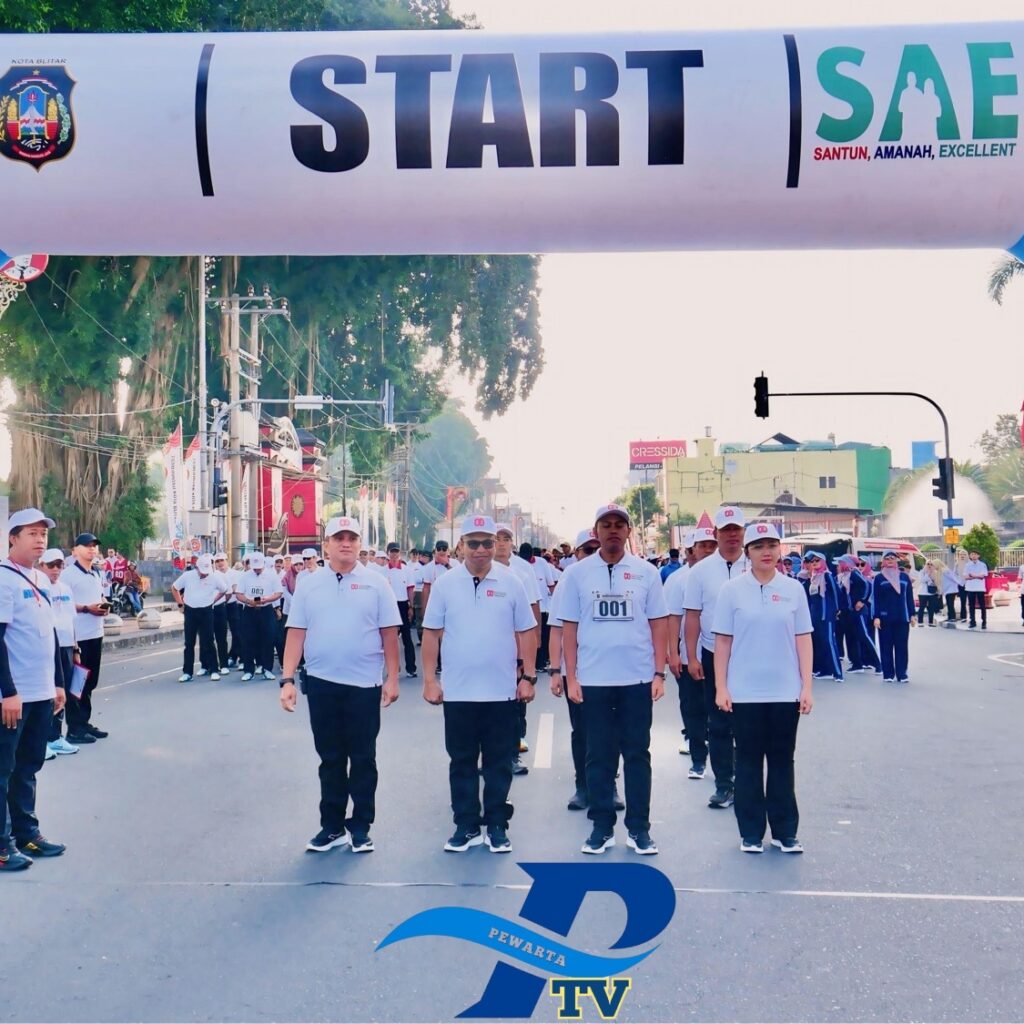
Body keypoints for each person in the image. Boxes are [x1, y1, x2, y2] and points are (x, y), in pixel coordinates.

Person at [280, 515, 401, 854]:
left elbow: (389, 633)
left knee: (363, 757)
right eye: (338, 537)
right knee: (330, 758)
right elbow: (296, 633)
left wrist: (392, 677)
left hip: (364, 685)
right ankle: (331, 825)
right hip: (321, 684)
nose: (345, 543)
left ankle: (360, 826)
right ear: (327, 545)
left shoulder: (377, 583)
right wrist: (288, 679)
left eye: (351, 537)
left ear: (359, 544)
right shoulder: (309, 584)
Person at [421, 514, 537, 854]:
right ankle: (467, 825)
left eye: (488, 542)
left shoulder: (512, 581)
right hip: (458, 692)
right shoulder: (445, 584)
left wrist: (528, 676)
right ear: (461, 546)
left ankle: (497, 824)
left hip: (501, 692)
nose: (482, 549)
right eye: (473, 543)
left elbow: (526, 632)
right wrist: (430, 680)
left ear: (496, 545)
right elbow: (431, 634)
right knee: (462, 762)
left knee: (499, 762)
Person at [560, 503, 668, 856]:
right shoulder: (577, 575)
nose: (613, 530)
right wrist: (571, 676)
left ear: (628, 532)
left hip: (636, 679)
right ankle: (601, 827)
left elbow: (658, 624)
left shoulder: (646, 573)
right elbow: (569, 628)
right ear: (596, 532)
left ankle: (639, 829)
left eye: (619, 525)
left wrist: (658, 672)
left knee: (637, 755)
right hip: (594, 679)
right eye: (605, 525)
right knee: (599, 756)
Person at [711, 522, 813, 855]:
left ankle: (786, 832)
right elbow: (722, 641)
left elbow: (803, 640)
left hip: (785, 691)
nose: (766, 552)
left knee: (783, 762)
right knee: (749, 763)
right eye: (758, 546)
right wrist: (721, 687)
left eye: (772, 545)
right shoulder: (732, 590)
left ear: (780, 549)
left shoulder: (793, 589)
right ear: (747, 552)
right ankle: (751, 832)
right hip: (745, 693)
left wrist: (806, 687)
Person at [0, 508, 68, 870]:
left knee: (28, 766)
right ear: (13, 538)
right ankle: (2, 844)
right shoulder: (4, 579)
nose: (40, 539)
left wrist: (57, 684)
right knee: (3, 770)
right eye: (31, 533)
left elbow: (52, 637)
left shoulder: (41, 580)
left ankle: (27, 833)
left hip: (42, 693)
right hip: (14, 696)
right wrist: (7, 692)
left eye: (44, 533)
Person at [683, 506, 750, 810]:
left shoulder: (757, 564)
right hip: (713, 654)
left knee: (750, 722)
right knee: (719, 720)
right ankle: (724, 784)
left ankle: (747, 783)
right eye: (727, 530)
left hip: (753, 654)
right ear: (717, 534)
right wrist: (693, 656)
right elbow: (693, 616)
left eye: (737, 529)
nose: (732, 535)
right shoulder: (700, 572)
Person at [548, 528, 609, 810]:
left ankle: (608, 787)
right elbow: (558, 629)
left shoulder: (621, 577)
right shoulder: (569, 581)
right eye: (586, 550)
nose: (592, 554)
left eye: (595, 548)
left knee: (613, 734)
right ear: (576, 554)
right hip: (580, 672)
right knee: (583, 732)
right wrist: (556, 671)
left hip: (614, 673)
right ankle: (583, 786)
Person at [666, 527, 718, 778]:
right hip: (689, 658)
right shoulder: (678, 580)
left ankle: (725, 764)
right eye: (703, 545)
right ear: (691, 550)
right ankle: (698, 759)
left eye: (712, 544)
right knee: (693, 708)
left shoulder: (727, 575)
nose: (709, 550)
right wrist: (673, 654)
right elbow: (672, 619)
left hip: (720, 656)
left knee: (720, 711)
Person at [494, 524, 541, 776]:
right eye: (497, 539)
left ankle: (511, 754)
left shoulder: (523, 572)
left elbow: (533, 609)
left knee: (513, 706)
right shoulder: (473, 571)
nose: (501, 543)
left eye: (506, 539)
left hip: (516, 651)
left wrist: (534, 644)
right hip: (488, 654)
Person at [61, 532, 108, 745]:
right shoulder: (68, 575)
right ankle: (74, 728)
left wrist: (102, 605)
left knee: (90, 681)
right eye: (87, 546)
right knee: (77, 684)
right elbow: (61, 604)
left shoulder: (96, 574)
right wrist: (86, 608)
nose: (92, 549)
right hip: (78, 637)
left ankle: (84, 721)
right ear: (76, 550)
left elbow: (99, 597)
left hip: (96, 633)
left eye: (94, 546)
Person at [39, 550, 78, 757]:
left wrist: (76, 648)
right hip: (47, 647)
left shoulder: (66, 588)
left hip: (66, 647)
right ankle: (42, 739)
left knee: (63, 694)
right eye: (51, 565)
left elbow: (71, 621)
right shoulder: (38, 588)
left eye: (59, 565)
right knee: (48, 694)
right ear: (42, 565)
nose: (55, 569)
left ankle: (55, 737)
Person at [172, 554, 229, 682]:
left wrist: (213, 600)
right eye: (202, 572)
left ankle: (214, 669)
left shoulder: (214, 577)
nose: (204, 575)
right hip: (190, 610)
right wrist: (180, 603)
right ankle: (187, 672)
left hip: (207, 610)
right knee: (189, 643)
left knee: (209, 640)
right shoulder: (188, 576)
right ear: (197, 568)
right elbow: (175, 588)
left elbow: (224, 590)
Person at [236, 553, 282, 681]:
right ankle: (248, 669)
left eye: (259, 568)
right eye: (254, 567)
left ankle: (267, 669)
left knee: (268, 639)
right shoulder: (245, 576)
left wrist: (267, 599)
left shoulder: (271, 575)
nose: (256, 570)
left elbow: (278, 593)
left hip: (266, 609)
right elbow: (238, 594)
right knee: (248, 640)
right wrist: (248, 601)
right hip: (249, 610)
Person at [871, 551, 915, 683]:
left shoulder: (904, 577)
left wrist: (912, 615)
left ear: (896, 560)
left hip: (902, 617)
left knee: (902, 646)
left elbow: (909, 597)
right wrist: (876, 616)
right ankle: (888, 674)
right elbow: (876, 599)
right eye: (887, 558)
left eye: (892, 558)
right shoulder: (879, 578)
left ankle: (902, 674)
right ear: (883, 560)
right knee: (886, 646)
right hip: (885, 618)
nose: (890, 560)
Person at [799, 552, 843, 681]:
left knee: (829, 642)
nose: (814, 563)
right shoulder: (813, 577)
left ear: (823, 562)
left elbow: (836, 593)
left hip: (826, 614)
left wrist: (836, 610)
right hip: (815, 615)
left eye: (817, 560)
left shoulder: (827, 576)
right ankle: (825, 670)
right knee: (819, 642)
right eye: (812, 561)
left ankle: (837, 672)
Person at [834, 555, 881, 674]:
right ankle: (857, 664)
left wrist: (862, 600)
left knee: (864, 636)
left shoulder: (854, 574)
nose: (838, 565)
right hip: (846, 613)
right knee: (851, 638)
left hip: (857, 611)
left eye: (840, 562)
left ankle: (878, 664)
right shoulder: (842, 577)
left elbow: (866, 586)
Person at [384, 543, 417, 678]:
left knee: (407, 638)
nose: (394, 554)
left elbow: (410, 589)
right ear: (388, 553)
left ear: (400, 553)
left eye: (397, 551)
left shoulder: (406, 570)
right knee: (391, 639)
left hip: (403, 605)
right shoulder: (382, 571)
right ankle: (393, 669)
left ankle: (411, 668)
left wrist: (411, 606)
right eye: (392, 551)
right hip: (389, 606)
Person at [520, 543, 555, 672]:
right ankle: (528, 664)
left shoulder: (542, 564)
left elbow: (550, 584)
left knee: (543, 637)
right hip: (524, 609)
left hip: (543, 607)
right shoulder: (518, 565)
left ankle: (541, 663)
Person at [963, 549, 989, 629]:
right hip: (970, 588)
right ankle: (972, 621)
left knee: (982, 606)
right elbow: (966, 576)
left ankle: (984, 622)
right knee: (971, 606)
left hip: (980, 588)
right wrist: (976, 576)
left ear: (978, 556)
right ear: (970, 556)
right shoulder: (967, 565)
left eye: (975, 554)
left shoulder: (982, 564)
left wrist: (973, 575)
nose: (973, 556)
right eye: (972, 554)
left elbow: (983, 576)